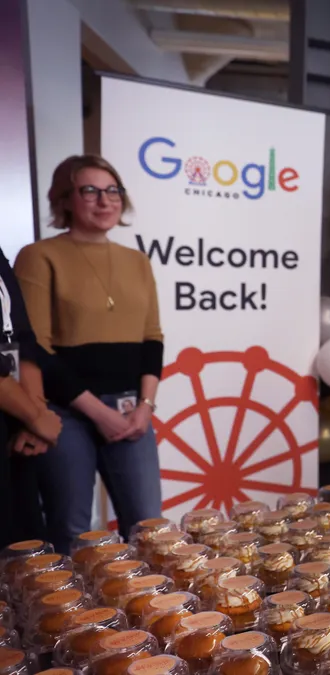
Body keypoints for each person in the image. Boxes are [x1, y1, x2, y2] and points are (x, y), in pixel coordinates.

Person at [14, 154, 166, 552]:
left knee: (148, 528)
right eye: (90, 191)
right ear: (65, 199)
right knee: (72, 532)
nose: (105, 200)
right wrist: (98, 413)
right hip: (67, 413)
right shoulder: (39, 256)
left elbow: (152, 338)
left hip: (132, 412)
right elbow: (37, 347)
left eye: (113, 190)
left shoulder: (138, 261)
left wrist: (145, 406)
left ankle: (147, 613)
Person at [0, 245, 62, 548]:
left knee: (28, 548)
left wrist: (32, 418)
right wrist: (37, 417)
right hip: (19, 411)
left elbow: (23, 339)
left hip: (15, 425)